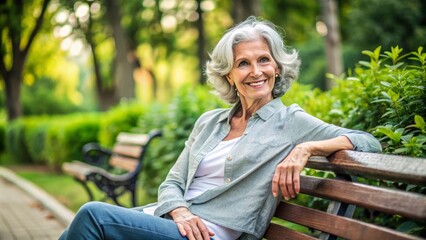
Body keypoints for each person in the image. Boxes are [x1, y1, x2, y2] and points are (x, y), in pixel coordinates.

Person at [59, 16, 381, 240]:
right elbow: (172, 182)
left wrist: (307, 148)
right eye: (243, 63)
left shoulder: (290, 122)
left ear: (277, 67)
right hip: (175, 222)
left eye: (264, 60)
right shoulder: (209, 122)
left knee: (93, 216)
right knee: (78, 229)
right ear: (228, 75)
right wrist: (180, 211)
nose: (256, 71)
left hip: (212, 234)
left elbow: (369, 143)